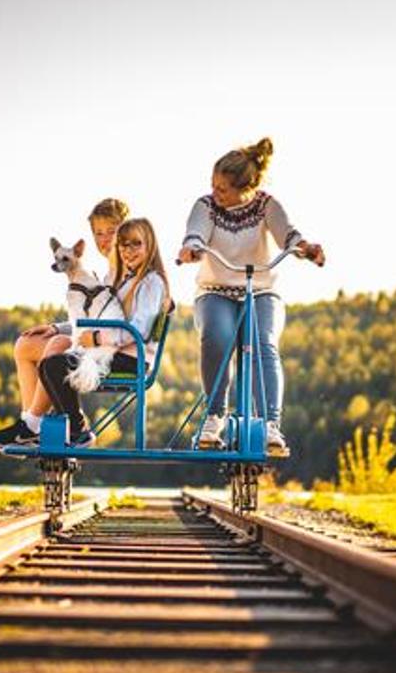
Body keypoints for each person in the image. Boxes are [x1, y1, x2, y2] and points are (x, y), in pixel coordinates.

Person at [176, 137, 324, 456]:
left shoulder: (267, 205)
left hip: (261, 289)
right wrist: (191, 248)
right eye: (213, 185)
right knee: (217, 337)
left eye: (223, 189)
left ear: (248, 187)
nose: (216, 192)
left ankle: (271, 425)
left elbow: (289, 235)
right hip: (215, 291)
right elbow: (196, 231)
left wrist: (306, 249)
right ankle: (214, 417)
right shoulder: (206, 206)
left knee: (264, 343)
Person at [0, 198, 128, 449]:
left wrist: (63, 334)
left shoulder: (128, 274)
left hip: (112, 349)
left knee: (58, 344)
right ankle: (29, 423)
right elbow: (90, 319)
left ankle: (31, 425)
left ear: (127, 230)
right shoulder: (106, 274)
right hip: (92, 338)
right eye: (98, 233)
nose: (104, 239)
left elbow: (117, 327)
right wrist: (55, 327)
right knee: (25, 345)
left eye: (111, 231)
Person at [38, 217, 172, 446]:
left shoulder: (151, 283)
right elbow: (97, 316)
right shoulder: (121, 279)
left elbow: (138, 331)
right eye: (123, 245)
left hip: (131, 358)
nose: (128, 251)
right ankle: (70, 428)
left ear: (149, 245)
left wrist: (97, 338)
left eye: (135, 244)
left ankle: (77, 430)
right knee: (47, 365)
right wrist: (59, 328)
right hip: (111, 350)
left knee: (54, 366)